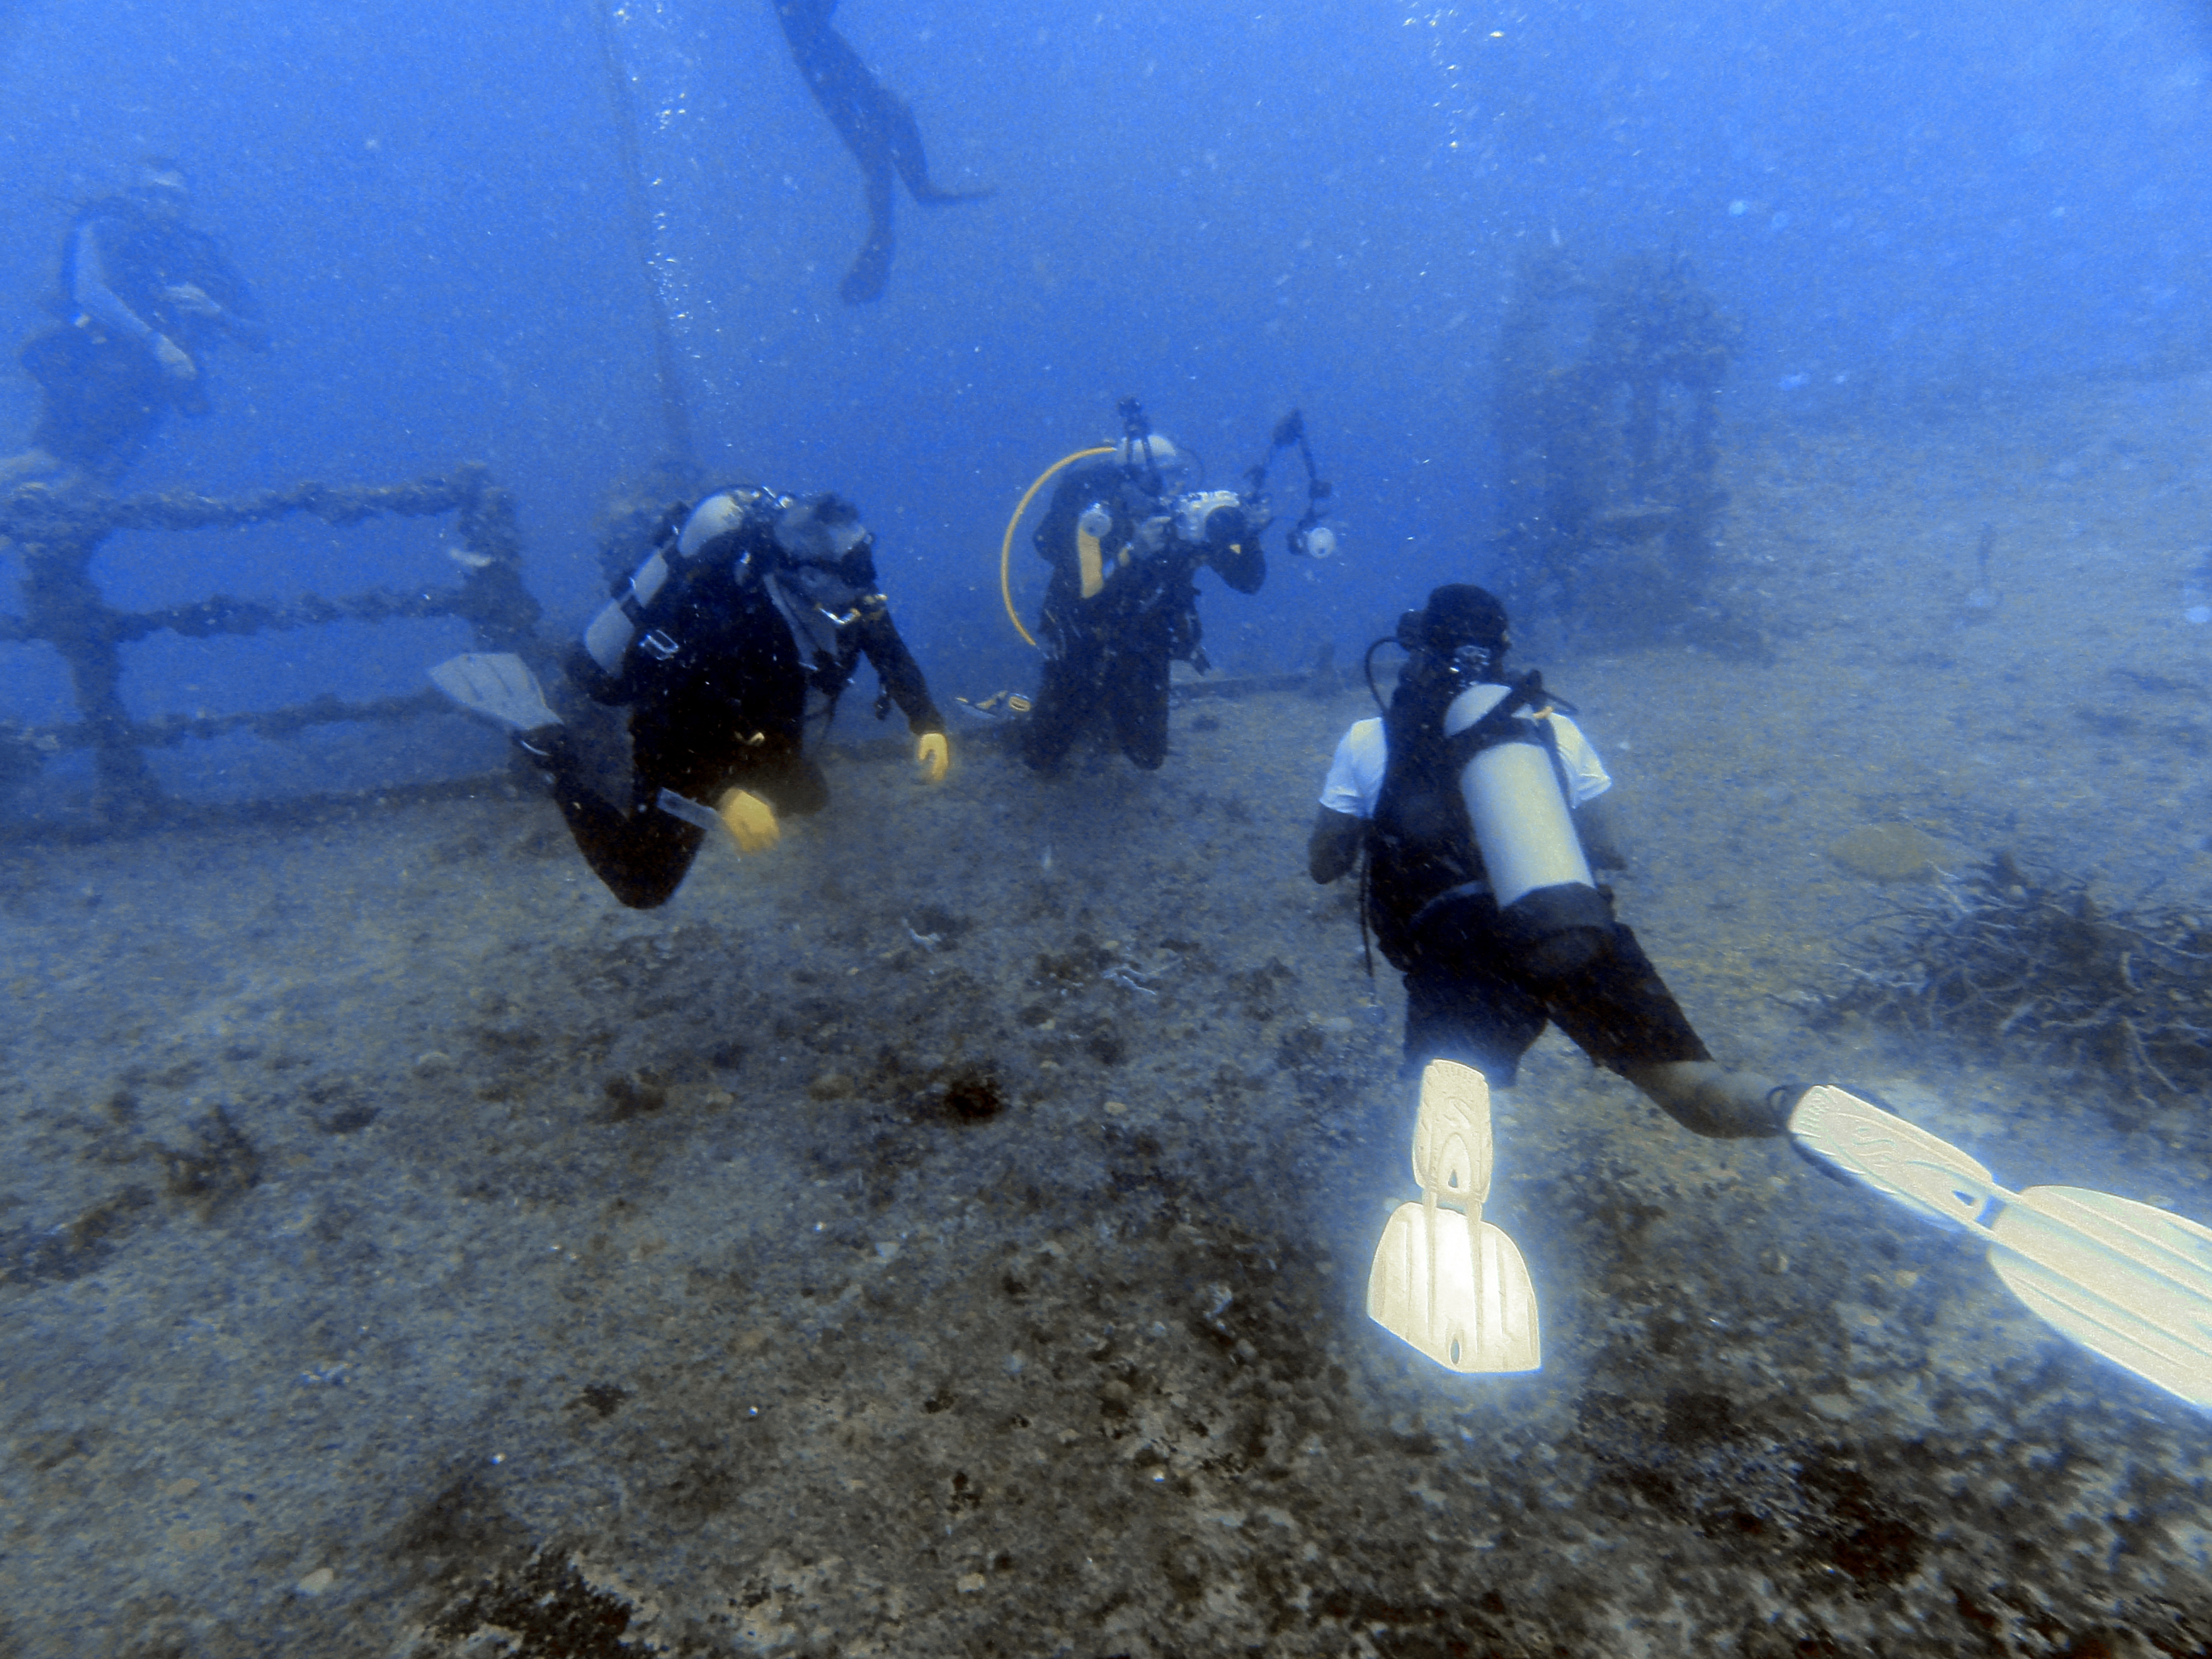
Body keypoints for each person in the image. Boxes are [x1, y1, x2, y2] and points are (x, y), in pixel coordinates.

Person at [1307, 583, 1799, 1138]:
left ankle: (1454, 1216)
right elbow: (1612, 848)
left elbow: (1325, 863)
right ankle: (1795, 1107)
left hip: (1456, 950)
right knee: (1695, 1086)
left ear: (1418, 646)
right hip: (1567, 925)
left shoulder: (1368, 738)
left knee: (1453, 1127)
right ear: (1504, 647)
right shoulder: (1549, 727)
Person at [430, 488, 950, 910]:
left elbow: (889, 649)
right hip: (685, 737)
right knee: (643, 885)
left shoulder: (844, 600)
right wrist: (725, 793)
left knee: (807, 797)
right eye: (853, 574)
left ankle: (750, 782)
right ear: (806, 572)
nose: (868, 589)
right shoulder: (728, 614)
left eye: (866, 564)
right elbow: (666, 714)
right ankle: (552, 753)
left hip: (757, 728)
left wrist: (927, 722)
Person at [1021, 403, 1269, 772]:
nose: (1174, 486)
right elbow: (1088, 600)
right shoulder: (1096, 520)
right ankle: (1069, 712)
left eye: (1178, 474)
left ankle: (1106, 711)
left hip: (1147, 640)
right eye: (1160, 477)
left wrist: (1246, 536)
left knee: (1149, 757)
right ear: (1127, 481)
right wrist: (1131, 552)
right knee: (1041, 757)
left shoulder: (1189, 521)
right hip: (1083, 637)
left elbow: (1247, 582)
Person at [2, 160, 268, 488]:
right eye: (152, 193)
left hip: (152, 386)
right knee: (46, 460)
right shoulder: (104, 230)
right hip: (87, 367)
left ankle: (33, 533)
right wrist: (156, 341)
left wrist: (214, 310)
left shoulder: (201, 255)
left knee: (89, 485)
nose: (163, 204)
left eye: (174, 197)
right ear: (133, 195)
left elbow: (260, 336)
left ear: (188, 203)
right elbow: (88, 292)